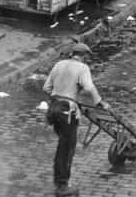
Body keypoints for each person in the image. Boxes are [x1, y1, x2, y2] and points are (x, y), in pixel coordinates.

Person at [44, 42, 110, 197]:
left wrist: (59, 96)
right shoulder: (82, 68)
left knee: (62, 145)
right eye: (87, 57)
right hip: (67, 111)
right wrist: (100, 102)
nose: (87, 60)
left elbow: (46, 88)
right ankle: (62, 186)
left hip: (54, 108)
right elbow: (88, 87)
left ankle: (59, 181)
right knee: (67, 149)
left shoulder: (59, 64)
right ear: (84, 56)